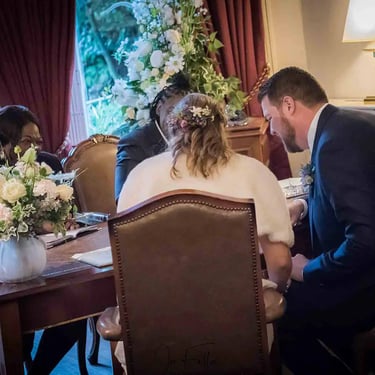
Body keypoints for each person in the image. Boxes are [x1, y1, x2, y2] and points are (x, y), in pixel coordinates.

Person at [116, 92, 293, 370]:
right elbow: (281, 263)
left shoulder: (140, 176)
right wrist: (276, 290)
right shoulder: (253, 173)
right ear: (223, 127)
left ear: (174, 127)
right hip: (238, 325)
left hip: (158, 329)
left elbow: (127, 264)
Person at [258, 66, 375, 374]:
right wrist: (305, 206)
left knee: (278, 310)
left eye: (269, 118)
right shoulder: (346, 122)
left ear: (288, 104)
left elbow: (365, 240)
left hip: (367, 286)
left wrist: (309, 269)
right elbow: (357, 195)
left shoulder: (334, 143)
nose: (270, 130)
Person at [0, 105, 86, 374]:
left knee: (77, 306)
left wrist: (63, 222)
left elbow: (67, 213)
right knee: (15, 331)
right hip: (7, 268)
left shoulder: (48, 165)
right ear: (4, 144)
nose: (35, 149)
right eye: (27, 142)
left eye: (37, 141)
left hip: (48, 262)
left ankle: (39, 371)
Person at [115, 72, 192, 201]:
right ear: (158, 109)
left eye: (185, 115)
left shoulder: (190, 138)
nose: (179, 121)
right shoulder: (133, 143)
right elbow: (123, 198)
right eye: (172, 111)